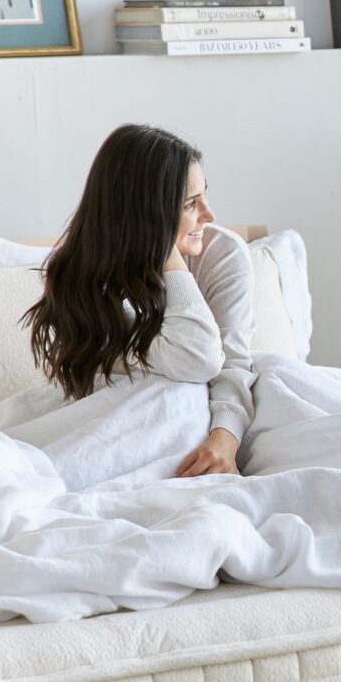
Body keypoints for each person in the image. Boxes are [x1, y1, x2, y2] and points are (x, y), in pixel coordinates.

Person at [20, 122, 256, 477]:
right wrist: (167, 256)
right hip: (134, 426)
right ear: (149, 214)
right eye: (191, 203)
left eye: (205, 194)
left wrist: (223, 441)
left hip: (215, 426)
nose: (209, 214)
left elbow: (229, 365)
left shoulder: (221, 254)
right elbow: (193, 359)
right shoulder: (87, 275)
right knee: (176, 391)